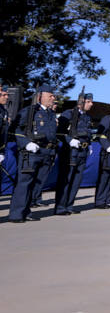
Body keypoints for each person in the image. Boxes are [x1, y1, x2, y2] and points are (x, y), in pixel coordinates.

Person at [9, 85, 59, 222]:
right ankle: (16, 214)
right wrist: (26, 143)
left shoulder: (51, 114)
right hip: (31, 152)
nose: (53, 98)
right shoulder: (30, 111)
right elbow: (15, 129)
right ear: (39, 97)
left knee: (36, 185)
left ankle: (26, 211)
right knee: (24, 183)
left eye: (53, 96)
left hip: (46, 152)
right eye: (50, 95)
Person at [54, 92, 95, 215]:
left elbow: (87, 134)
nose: (91, 104)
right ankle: (60, 207)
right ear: (81, 102)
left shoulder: (87, 117)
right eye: (88, 102)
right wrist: (69, 140)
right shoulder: (69, 114)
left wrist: (89, 144)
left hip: (82, 152)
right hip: (70, 152)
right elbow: (60, 133)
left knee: (76, 181)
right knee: (66, 180)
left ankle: (69, 205)